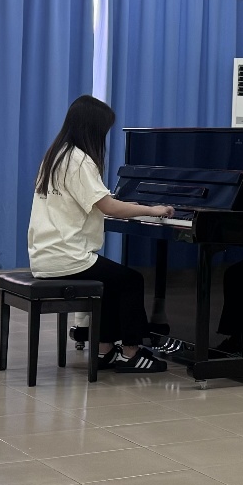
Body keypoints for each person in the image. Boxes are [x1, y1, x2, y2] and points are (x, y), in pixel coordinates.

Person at [28, 95, 175, 374]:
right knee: (131, 280)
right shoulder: (79, 160)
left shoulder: (56, 155)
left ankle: (104, 350)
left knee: (110, 281)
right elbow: (108, 207)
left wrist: (130, 205)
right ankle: (131, 353)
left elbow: (96, 201)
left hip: (45, 255)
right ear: (92, 128)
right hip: (67, 257)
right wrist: (151, 210)